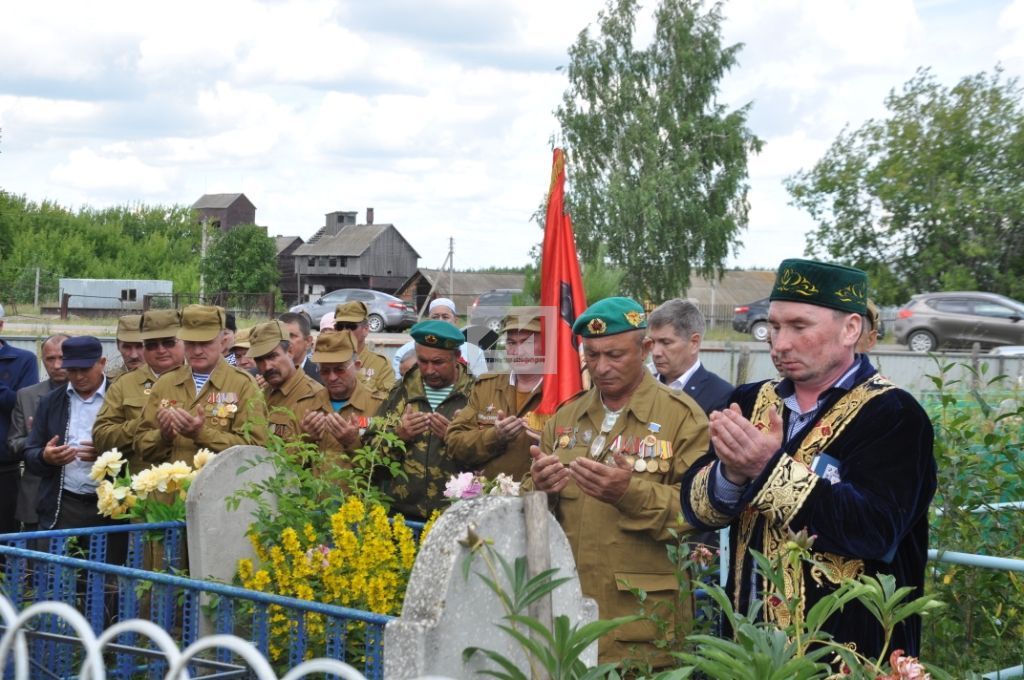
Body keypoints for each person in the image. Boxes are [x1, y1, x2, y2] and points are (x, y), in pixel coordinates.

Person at [680, 259, 936, 659]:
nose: (780, 343)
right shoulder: (750, 400)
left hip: (844, 652)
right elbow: (700, 512)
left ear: (851, 329)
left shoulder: (894, 416)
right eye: (776, 326)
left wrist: (768, 469)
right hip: (747, 649)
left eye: (800, 327)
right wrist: (730, 471)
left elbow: (874, 529)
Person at [526, 297, 710, 666]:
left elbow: (698, 512)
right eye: (591, 355)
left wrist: (629, 493)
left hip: (643, 621)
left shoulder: (682, 418)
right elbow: (531, 517)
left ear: (644, 349)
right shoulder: (565, 417)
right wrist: (539, 492)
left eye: (614, 355)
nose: (601, 367)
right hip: (569, 612)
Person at [134, 305, 267, 468]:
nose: (197, 351)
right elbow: (141, 447)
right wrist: (163, 436)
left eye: (205, 343)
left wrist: (201, 434)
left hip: (217, 491)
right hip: (171, 490)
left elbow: (255, 450)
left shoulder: (243, 385)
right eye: (190, 343)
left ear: (223, 342)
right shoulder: (165, 383)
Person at [370, 320, 475, 521]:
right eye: (422, 361)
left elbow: (487, 459)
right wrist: (397, 437)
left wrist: (454, 439)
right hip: (401, 517)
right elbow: (371, 449)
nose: (429, 370)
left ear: (457, 358)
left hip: (455, 515)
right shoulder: (401, 391)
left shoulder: (475, 395)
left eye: (438, 362)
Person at [24, 336, 115, 530]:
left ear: (102, 363)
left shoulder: (119, 397)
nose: (79, 376)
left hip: (111, 506)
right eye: (72, 370)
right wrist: (45, 457)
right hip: (63, 505)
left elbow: (137, 450)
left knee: (105, 559)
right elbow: (30, 453)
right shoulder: (50, 402)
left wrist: (107, 458)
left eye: (85, 369)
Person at [447, 314, 545, 479]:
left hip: (540, 500)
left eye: (528, 342)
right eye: (511, 342)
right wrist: (494, 436)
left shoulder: (562, 394)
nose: (519, 351)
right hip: (491, 500)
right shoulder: (487, 386)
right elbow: (454, 444)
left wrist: (547, 442)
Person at [94, 310, 185, 473]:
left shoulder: (203, 378)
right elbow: (101, 439)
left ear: (184, 341)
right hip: (143, 489)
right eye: (151, 345)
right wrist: (145, 421)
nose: (161, 350)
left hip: (193, 488)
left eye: (169, 342)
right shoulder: (123, 385)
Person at [8, 333, 69, 530]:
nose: (57, 365)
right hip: (36, 495)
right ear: (43, 360)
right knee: (37, 556)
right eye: (51, 359)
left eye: (63, 357)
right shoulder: (26, 396)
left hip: (79, 499)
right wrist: (38, 441)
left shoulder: (92, 394)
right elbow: (13, 444)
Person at [300, 330, 384, 452]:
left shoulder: (378, 406)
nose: (332, 377)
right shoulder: (307, 405)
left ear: (357, 366)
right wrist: (306, 440)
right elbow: (290, 463)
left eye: (340, 369)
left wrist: (352, 442)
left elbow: (385, 463)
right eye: (325, 371)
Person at [247, 320, 330, 442]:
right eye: (259, 360)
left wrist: (305, 439)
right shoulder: (259, 394)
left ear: (290, 351)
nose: (267, 366)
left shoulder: (315, 396)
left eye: (272, 356)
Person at [647, 298, 733, 415]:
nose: (656, 352)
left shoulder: (721, 395)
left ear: (694, 343)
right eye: (652, 342)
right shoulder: (641, 386)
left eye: (666, 343)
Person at [0, 304, 40, 534]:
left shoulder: (22, 360)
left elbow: (22, 404)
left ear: (1, 325)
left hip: (4, 468)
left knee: (5, 540)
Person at [333, 301, 395, 396]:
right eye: (339, 327)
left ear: (365, 329)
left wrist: (355, 375)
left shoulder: (381, 365)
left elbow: (387, 403)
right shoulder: (327, 361)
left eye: (351, 326)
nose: (344, 331)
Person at [277, 312, 321, 385]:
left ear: (308, 342)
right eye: (281, 336)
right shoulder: (261, 377)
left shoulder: (321, 377)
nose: (285, 341)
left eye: (291, 336)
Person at [105, 314, 144, 381]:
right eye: (127, 347)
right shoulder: (109, 383)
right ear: (118, 345)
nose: (133, 355)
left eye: (139, 346)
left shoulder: (164, 381)